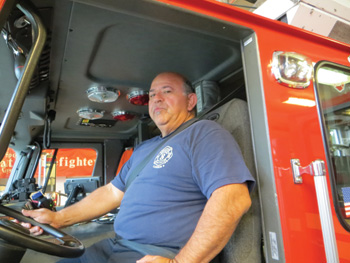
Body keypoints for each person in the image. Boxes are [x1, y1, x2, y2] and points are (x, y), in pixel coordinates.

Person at [22, 72, 255, 263]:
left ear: (191, 101)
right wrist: (58, 218)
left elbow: (233, 198)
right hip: (111, 247)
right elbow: (112, 192)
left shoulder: (204, 133)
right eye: (152, 94)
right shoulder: (145, 148)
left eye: (167, 91)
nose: (157, 99)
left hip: (157, 255)